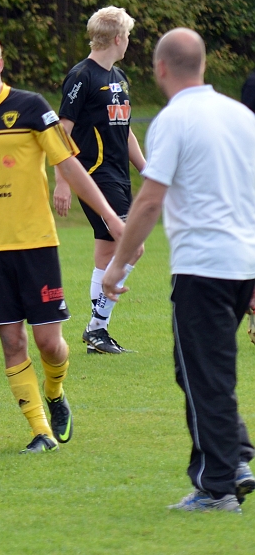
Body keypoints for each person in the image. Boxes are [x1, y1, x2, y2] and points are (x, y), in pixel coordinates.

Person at [0, 30, 125, 453]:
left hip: (36, 244)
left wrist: (110, 217)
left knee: (50, 343)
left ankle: (55, 392)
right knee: (12, 341)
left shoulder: (31, 108)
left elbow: (72, 165)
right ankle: (39, 431)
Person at [103, 28, 255, 512]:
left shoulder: (174, 120)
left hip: (203, 267)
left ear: (160, 69)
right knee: (202, 370)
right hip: (243, 264)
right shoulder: (241, 116)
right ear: (204, 64)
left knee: (203, 374)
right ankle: (237, 460)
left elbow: (149, 200)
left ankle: (217, 487)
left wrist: (117, 265)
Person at [54, 7, 146, 354]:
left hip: (118, 176)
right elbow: (62, 131)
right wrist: (63, 181)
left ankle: (98, 333)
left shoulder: (119, 77)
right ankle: (96, 328)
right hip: (94, 176)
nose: (128, 43)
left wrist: (144, 169)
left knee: (106, 253)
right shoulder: (82, 76)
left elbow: (124, 130)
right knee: (132, 246)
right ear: (119, 38)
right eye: (128, 37)